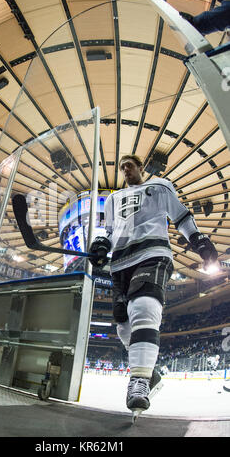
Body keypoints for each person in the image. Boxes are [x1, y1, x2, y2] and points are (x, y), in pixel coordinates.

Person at [89, 155, 218, 413]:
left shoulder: (159, 186)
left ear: (140, 168)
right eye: (122, 165)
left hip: (152, 254)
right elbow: (110, 231)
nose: (125, 169)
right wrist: (101, 244)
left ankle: (139, 381)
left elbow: (180, 216)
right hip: (121, 264)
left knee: (144, 307)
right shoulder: (112, 199)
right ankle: (151, 371)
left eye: (130, 164)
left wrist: (198, 240)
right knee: (123, 326)